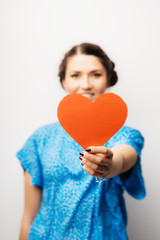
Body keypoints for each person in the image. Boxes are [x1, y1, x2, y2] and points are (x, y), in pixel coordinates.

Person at [16, 43, 146, 240]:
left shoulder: (126, 136)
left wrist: (109, 165)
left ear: (108, 78)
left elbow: (122, 157)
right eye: (75, 75)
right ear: (64, 81)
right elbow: (28, 216)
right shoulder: (40, 139)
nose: (85, 84)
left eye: (95, 74)